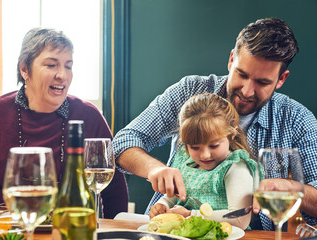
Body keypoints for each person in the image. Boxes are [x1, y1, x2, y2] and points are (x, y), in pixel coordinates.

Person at [113, 17, 317, 230]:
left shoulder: (297, 120)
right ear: (231, 60)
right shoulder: (189, 92)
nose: (247, 91)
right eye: (241, 74)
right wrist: (154, 169)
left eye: (262, 82)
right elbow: (122, 142)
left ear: (281, 79)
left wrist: (293, 190)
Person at [0, 28, 128, 219]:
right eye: (51, 65)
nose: (62, 75)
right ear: (24, 68)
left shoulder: (89, 116)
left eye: (68, 66)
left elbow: (115, 196)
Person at [149, 93, 258, 230]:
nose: (205, 155)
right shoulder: (185, 161)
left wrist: (190, 214)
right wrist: (162, 205)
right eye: (194, 147)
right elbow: (175, 197)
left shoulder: (235, 167)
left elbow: (239, 218)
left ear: (231, 136)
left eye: (214, 146)